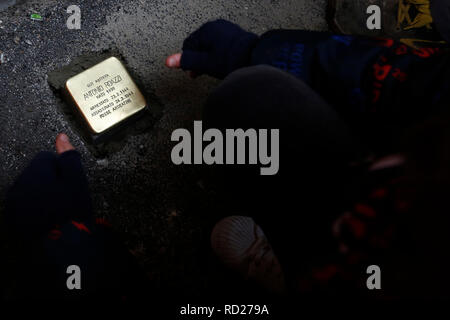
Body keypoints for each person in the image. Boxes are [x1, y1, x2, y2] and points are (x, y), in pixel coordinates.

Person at [165, 19, 450, 298]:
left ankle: (301, 273)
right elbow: (412, 79)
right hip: (387, 198)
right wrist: (250, 53)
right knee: (250, 99)